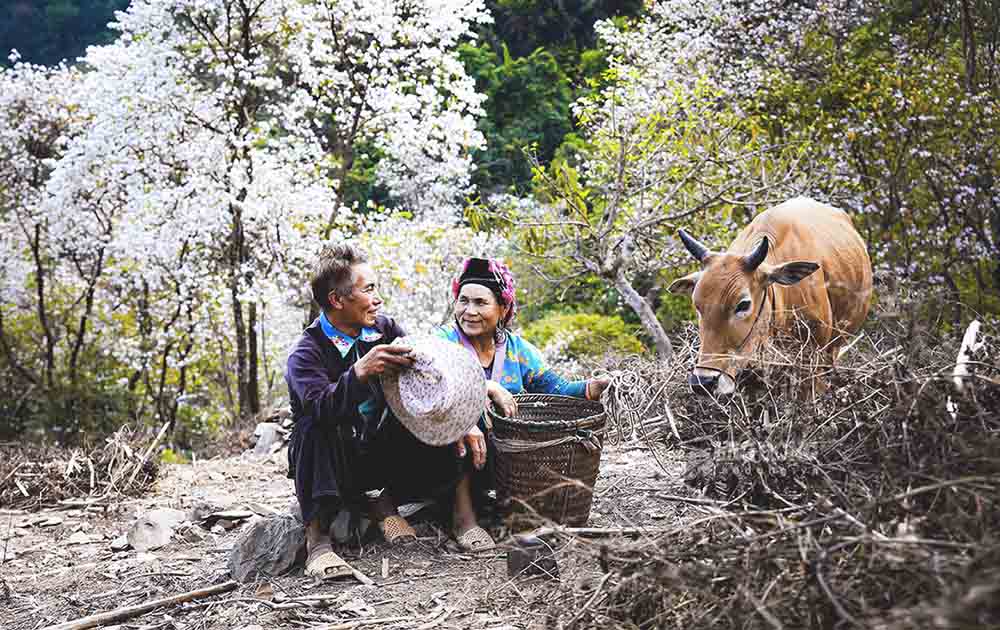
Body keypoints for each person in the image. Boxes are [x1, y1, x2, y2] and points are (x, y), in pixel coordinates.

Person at [285, 244, 495, 582]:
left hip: (385, 454)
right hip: (338, 463)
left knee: (446, 407)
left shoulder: (384, 329)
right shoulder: (306, 353)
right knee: (312, 425)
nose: (378, 299)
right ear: (338, 301)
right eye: (368, 290)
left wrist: (466, 416)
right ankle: (319, 542)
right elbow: (319, 407)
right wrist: (357, 373)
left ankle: (462, 517)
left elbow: (428, 372)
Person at [435, 257, 612, 530]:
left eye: (481, 303)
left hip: (502, 457)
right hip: (450, 451)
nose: (469, 311)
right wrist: (486, 387)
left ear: (503, 309)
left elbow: (557, 390)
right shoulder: (444, 341)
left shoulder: (518, 350)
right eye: (463, 301)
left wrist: (595, 386)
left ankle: (513, 507)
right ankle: (464, 519)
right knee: (461, 422)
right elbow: (426, 379)